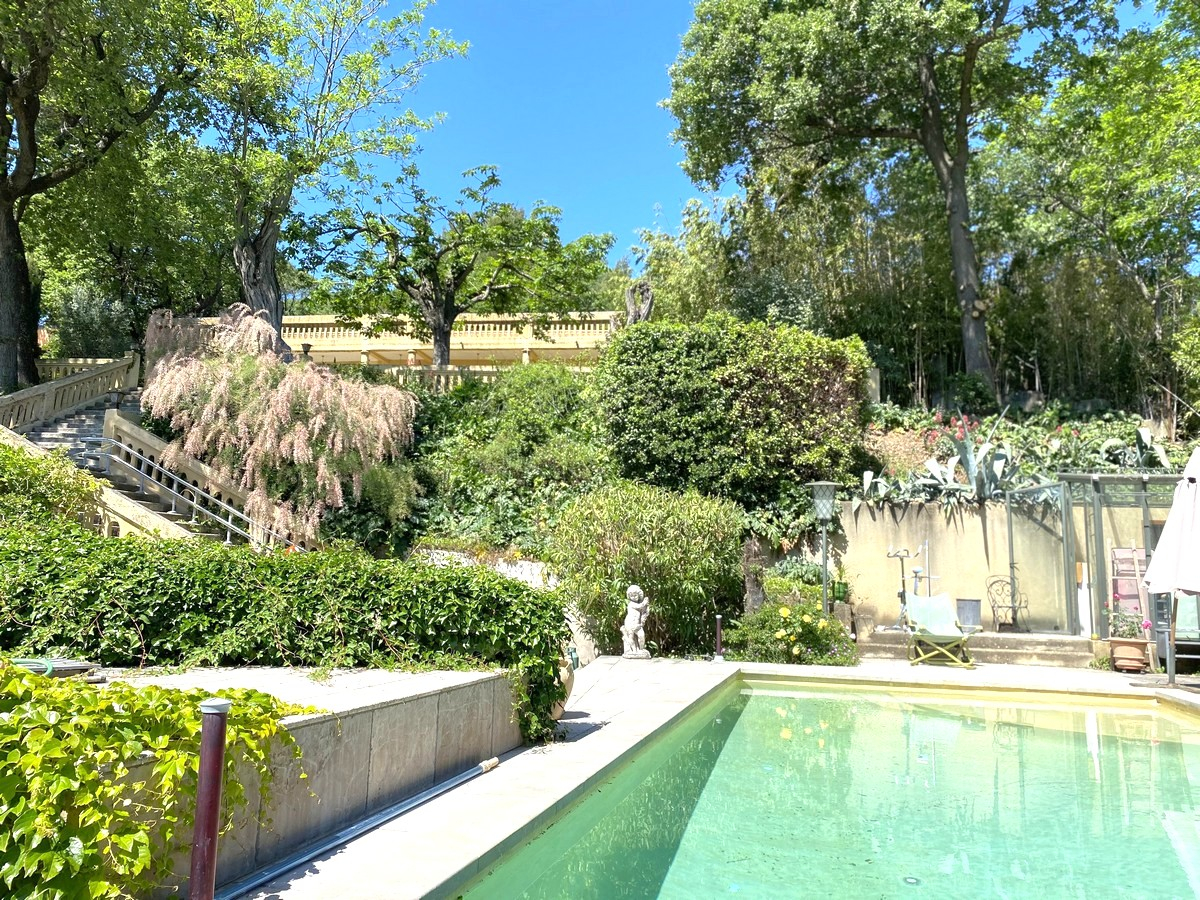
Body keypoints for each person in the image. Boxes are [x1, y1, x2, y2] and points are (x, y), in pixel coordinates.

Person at [622, 585, 650, 658]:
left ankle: (641, 649)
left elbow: (644, 610)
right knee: (631, 637)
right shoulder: (631, 604)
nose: (633, 597)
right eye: (631, 596)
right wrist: (645, 601)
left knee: (642, 636)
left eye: (635, 595)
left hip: (637, 625)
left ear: (639, 595)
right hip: (630, 623)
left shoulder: (637, 603)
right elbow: (640, 606)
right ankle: (633, 650)